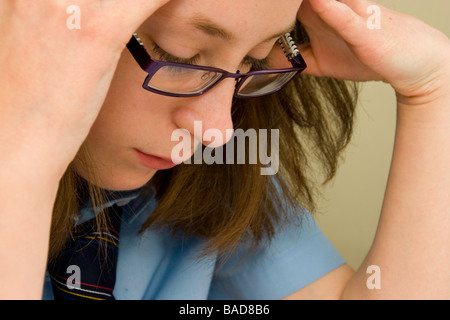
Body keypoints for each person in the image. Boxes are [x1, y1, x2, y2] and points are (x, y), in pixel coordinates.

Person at [0, 0, 448, 300]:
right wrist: (27, 152)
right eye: (182, 54)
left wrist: (433, 90)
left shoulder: (209, 172)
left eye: (252, 61)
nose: (218, 130)